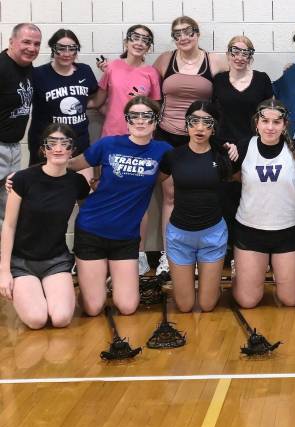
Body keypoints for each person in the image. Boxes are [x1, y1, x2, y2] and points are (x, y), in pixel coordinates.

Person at [68, 96, 172, 316]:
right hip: (91, 229)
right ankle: (83, 290)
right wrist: (30, 173)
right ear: (127, 120)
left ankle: (99, 282)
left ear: (155, 120)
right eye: (134, 116)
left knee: (127, 307)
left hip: (125, 238)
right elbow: (71, 164)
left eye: (146, 116)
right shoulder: (109, 144)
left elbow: (171, 171)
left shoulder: (163, 150)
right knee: (94, 308)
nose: (140, 121)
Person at [153, 16, 228, 274]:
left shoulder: (214, 60)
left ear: (197, 33)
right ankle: (168, 254)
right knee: (170, 196)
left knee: (199, 193)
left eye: (188, 32)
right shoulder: (165, 59)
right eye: (177, 33)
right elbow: (145, 85)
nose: (183, 37)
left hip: (200, 135)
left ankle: (201, 254)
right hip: (167, 135)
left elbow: (242, 72)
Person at [0, 124, 90, 329]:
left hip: (55, 261)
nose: (58, 149)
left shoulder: (77, 183)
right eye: (52, 143)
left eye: (64, 144)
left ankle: (47, 291)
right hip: (22, 262)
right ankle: (31, 292)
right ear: (44, 149)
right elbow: (9, 226)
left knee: (61, 319)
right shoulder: (22, 180)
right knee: (37, 320)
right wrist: (4, 271)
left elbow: (88, 217)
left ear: (72, 149)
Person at [91, 24, 162, 275]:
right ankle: (105, 255)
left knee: (137, 202)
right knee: (107, 197)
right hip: (112, 139)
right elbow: (99, 102)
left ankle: (138, 254)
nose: (140, 42)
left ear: (149, 46)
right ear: (126, 41)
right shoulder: (111, 68)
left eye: (146, 40)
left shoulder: (151, 73)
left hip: (141, 144)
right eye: (135, 37)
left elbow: (155, 109)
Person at [231, 99, 295, 308]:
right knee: (248, 301)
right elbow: (235, 176)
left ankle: (279, 275)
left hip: (289, 230)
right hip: (250, 229)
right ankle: (245, 273)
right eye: (265, 121)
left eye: (276, 122)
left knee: (291, 300)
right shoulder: (244, 146)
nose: (270, 127)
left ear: (285, 125)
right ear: (257, 123)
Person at [159, 101, 231, 312]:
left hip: (212, 235)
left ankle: (212, 287)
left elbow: (244, 181)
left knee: (207, 305)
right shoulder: (173, 156)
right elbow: (149, 182)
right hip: (180, 236)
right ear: (186, 124)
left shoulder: (222, 156)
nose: (200, 128)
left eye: (206, 122)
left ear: (214, 127)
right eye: (194, 121)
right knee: (185, 306)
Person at [212, 35, 273, 271]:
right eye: (234, 52)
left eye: (244, 52)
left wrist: (244, 143)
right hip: (226, 149)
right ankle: (228, 253)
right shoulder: (218, 81)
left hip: (254, 146)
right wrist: (227, 143)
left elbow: (268, 116)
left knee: (254, 199)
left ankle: (252, 252)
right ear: (228, 55)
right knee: (226, 199)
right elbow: (214, 119)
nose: (239, 57)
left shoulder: (261, 80)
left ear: (251, 56)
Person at [29, 29, 98, 167]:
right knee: (45, 186)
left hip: (79, 141)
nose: (67, 54)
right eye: (61, 48)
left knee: (78, 185)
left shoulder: (85, 71)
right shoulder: (38, 74)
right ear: (53, 48)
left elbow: (90, 100)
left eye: (72, 48)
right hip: (48, 143)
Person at [0, 23, 41, 226]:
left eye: (36, 44)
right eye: (26, 42)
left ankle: (3, 256)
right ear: (11, 42)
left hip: (13, 146)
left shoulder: (26, 68)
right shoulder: (2, 66)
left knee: (7, 204)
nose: (32, 48)